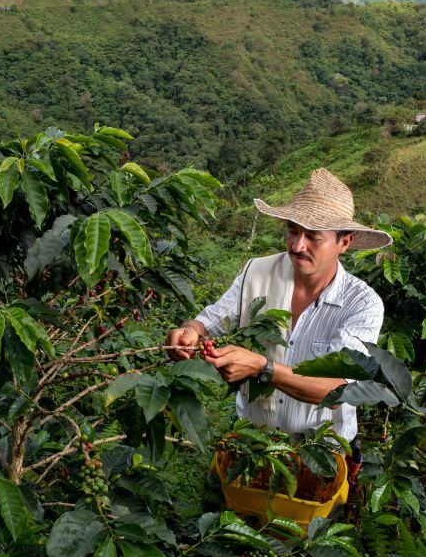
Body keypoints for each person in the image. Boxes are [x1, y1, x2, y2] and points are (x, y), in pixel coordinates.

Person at [166, 168, 392, 443]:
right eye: (293, 232)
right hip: (253, 442)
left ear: (343, 242)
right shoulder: (256, 272)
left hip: (322, 449)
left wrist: (262, 367)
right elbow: (208, 322)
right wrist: (189, 331)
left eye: (313, 237)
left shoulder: (362, 304)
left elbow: (338, 391)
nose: (298, 246)